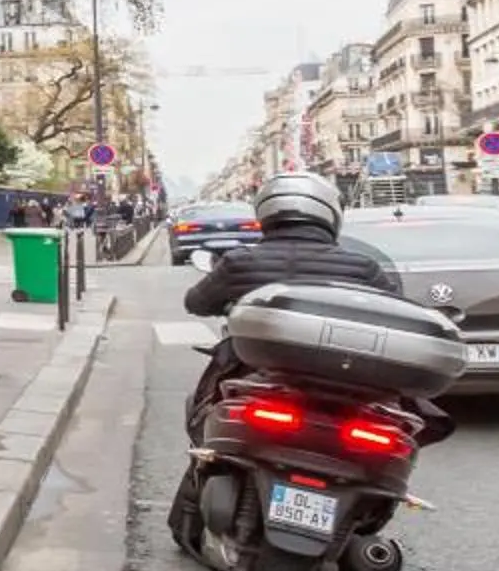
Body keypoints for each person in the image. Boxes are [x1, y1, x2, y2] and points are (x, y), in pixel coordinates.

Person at [172, 170, 423, 546]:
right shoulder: (362, 268)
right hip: (349, 383)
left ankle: (189, 515)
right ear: (329, 215)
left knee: (204, 419)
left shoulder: (241, 262)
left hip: (257, 376)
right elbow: (395, 312)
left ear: (267, 214)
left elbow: (195, 302)